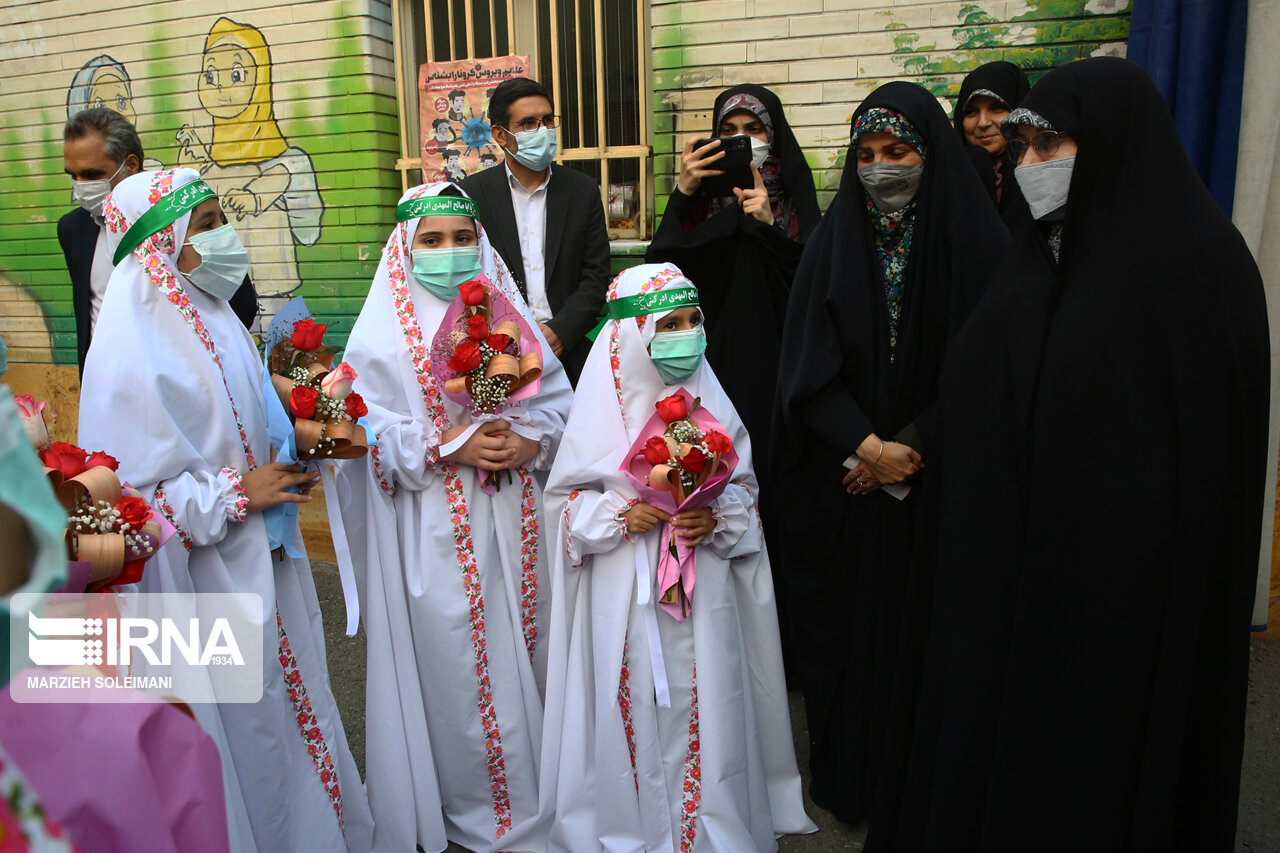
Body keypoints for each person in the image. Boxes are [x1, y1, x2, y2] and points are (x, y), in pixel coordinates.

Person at [868, 57, 1270, 853]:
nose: (1029, 168)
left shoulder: (1203, 270)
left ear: (1114, 141)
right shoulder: (1037, 259)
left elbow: (1210, 464)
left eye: (1048, 146)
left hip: (1121, 602)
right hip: (1004, 588)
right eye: (1020, 150)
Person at [78, 167, 373, 853]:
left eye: (219, 217)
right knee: (248, 737)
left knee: (292, 721)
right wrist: (240, 493)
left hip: (266, 562)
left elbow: (257, 427)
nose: (224, 235)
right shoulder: (130, 356)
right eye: (205, 224)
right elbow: (131, 504)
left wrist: (310, 429)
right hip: (206, 578)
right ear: (163, 244)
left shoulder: (216, 318)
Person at [502, 262, 816, 852]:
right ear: (632, 335)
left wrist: (715, 516)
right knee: (635, 697)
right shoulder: (599, 411)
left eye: (695, 321)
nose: (688, 335)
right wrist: (618, 517)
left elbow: (744, 492)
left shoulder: (713, 402)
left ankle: (708, 821)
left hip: (706, 590)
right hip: (625, 591)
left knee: (707, 698)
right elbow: (564, 507)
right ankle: (635, 823)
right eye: (670, 323)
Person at [771, 81, 1009, 825]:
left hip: (944, 485)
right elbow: (805, 371)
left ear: (930, 153)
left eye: (898, 151)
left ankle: (926, 794)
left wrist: (911, 445)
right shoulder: (835, 240)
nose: (881, 168)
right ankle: (855, 783)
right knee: (854, 644)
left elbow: (993, 366)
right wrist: (868, 446)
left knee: (935, 643)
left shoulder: (981, 244)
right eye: (866, 154)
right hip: (849, 483)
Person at [340, 182, 572, 852]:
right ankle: (477, 800)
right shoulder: (381, 334)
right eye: (432, 241)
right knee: (460, 671)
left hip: (521, 519)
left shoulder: (508, 314)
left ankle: (549, 789)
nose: (450, 253)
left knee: (534, 654)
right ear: (405, 249)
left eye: (463, 237)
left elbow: (562, 406)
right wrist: (449, 443)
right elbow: (364, 432)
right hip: (437, 529)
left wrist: (531, 440)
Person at [645, 84, 819, 651]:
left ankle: (781, 642)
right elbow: (659, 279)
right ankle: (718, 640)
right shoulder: (697, 210)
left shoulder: (795, 205)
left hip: (777, 380)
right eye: (729, 130)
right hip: (705, 379)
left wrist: (766, 224)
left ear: (776, 137)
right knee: (708, 497)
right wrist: (682, 191)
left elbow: (812, 291)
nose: (743, 140)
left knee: (775, 500)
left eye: (757, 128)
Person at [59, 107, 256, 374]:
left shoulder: (182, 216)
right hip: (109, 385)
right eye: (73, 175)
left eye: (92, 174)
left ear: (130, 165)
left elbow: (240, 303)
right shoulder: (73, 229)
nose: (81, 186)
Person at [461, 77, 611, 383]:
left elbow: (595, 276)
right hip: (496, 355)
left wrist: (560, 332)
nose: (541, 131)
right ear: (500, 135)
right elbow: (466, 277)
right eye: (528, 123)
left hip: (571, 351)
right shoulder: (472, 194)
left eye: (547, 121)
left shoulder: (581, 190)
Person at [953, 60, 1030, 220]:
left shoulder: (1040, 171)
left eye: (997, 108)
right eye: (971, 112)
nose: (983, 123)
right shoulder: (948, 175)